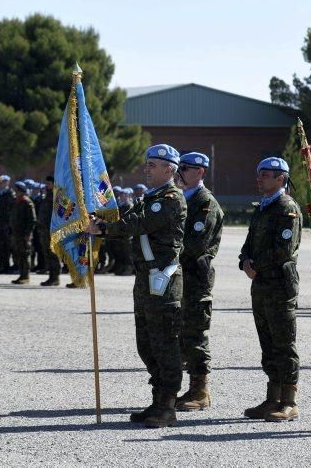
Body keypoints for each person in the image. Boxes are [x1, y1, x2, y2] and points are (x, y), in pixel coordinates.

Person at [87, 144, 186, 428]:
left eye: (154, 164)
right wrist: (98, 220)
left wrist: (103, 229)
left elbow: (139, 223)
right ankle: (157, 400)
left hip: (163, 280)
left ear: (169, 169)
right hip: (146, 279)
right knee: (147, 343)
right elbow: (129, 220)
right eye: (148, 163)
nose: (147, 168)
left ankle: (168, 406)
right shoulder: (151, 197)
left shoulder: (171, 198)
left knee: (165, 343)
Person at [240, 157, 302, 423]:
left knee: (283, 343)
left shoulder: (286, 207)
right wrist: (245, 260)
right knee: (268, 344)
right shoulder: (263, 207)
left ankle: (289, 401)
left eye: (266, 174)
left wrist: (257, 265)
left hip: (279, 284)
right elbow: (249, 242)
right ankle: (272, 397)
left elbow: (283, 250)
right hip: (262, 284)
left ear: (281, 178)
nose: (259, 178)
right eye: (259, 173)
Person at [174, 152, 224, 412]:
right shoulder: (181, 200)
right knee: (180, 333)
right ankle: (186, 389)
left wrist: (165, 251)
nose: (179, 171)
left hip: (195, 279)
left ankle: (200, 391)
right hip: (179, 277)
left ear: (200, 172)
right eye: (179, 167)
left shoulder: (206, 204)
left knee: (195, 334)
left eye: (185, 168)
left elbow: (194, 244)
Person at [10, 181, 36, 285]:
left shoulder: (27, 202)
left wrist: (28, 234)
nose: (15, 192)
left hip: (24, 234)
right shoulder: (17, 201)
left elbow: (32, 220)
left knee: (25, 255)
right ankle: (21, 275)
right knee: (19, 254)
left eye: (17, 190)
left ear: (21, 191)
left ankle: (26, 276)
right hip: (16, 233)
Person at [37, 175, 60, 286]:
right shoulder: (47, 196)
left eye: (49, 184)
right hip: (44, 230)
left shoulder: (55, 197)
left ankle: (55, 277)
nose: (46, 185)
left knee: (53, 254)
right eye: (46, 184)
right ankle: (51, 276)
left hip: (52, 230)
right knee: (47, 254)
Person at [0, 175, 15, 273]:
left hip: (6, 224)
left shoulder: (10, 194)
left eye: (2, 182)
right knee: (0, 245)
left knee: (6, 246)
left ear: (7, 182)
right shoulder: (0, 194)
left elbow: (10, 211)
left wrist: (9, 225)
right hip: (0, 223)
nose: (0, 183)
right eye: (0, 182)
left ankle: (5, 265)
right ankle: (1, 264)